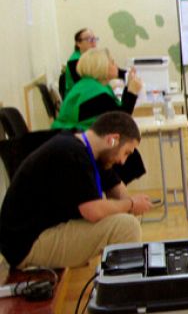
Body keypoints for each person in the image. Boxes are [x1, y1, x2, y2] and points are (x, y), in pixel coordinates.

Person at [1, 112, 151, 269]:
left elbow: (116, 187)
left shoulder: (88, 148)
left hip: (34, 235)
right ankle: (122, 291)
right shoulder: (71, 153)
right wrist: (131, 204)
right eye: (126, 152)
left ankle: (115, 283)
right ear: (112, 139)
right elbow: (92, 211)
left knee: (126, 216)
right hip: (26, 245)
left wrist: (130, 205)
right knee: (126, 227)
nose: (122, 161)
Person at [52, 47, 146, 185]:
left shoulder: (90, 86)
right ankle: (118, 199)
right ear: (102, 66)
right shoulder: (94, 92)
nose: (116, 66)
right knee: (126, 150)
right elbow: (120, 123)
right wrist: (132, 91)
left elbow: (116, 112)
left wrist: (129, 89)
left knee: (126, 150)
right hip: (75, 149)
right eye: (112, 62)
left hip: (70, 140)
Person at [58, 28, 100, 96]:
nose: (93, 41)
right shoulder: (74, 61)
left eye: (94, 38)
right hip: (78, 98)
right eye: (89, 39)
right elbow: (84, 86)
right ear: (78, 43)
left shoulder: (90, 57)